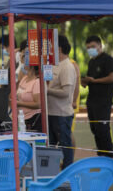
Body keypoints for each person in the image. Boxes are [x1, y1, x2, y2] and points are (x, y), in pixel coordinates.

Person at [81, 35, 113, 158]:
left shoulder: (108, 60)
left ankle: (109, 155)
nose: (90, 49)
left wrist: (95, 81)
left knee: (103, 129)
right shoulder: (91, 61)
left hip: (103, 101)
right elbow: (90, 80)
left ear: (100, 46)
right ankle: (101, 154)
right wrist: (84, 81)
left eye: (92, 47)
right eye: (88, 47)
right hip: (92, 101)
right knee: (95, 129)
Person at [47, 35, 76, 169]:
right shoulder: (54, 65)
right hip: (52, 112)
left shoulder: (67, 67)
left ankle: (68, 173)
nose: (49, 51)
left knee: (65, 147)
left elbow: (66, 93)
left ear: (59, 49)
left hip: (62, 114)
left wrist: (48, 91)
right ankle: (53, 174)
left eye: (51, 48)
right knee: (52, 147)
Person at [16, 40, 41, 132]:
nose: (22, 63)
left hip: (33, 120)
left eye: (23, 59)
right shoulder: (24, 78)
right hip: (22, 118)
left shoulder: (37, 82)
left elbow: (38, 104)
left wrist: (18, 104)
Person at [70, 58, 80, 157]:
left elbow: (77, 83)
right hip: (61, 104)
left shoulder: (72, 64)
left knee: (68, 132)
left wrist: (74, 100)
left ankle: (70, 158)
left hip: (70, 105)